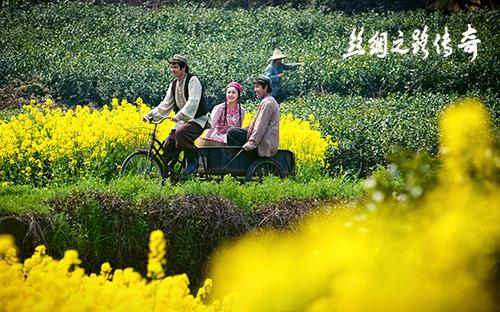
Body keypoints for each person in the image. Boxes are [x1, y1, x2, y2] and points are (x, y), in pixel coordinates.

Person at [142, 54, 211, 176]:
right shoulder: (174, 84)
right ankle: (167, 174)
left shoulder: (193, 80)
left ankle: (192, 160)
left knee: (181, 133)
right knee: (169, 144)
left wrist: (179, 115)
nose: (172, 70)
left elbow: (193, 102)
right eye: (171, 67)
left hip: (197, 119)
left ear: (184, 68)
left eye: (175, 67)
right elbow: (166, 104)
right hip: (182, 120)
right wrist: (151, 115)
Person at [226, 76, 279, 157]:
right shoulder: (267, 101)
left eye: (257, 87)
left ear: (266, 88)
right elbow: (255, 124)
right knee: (233, 132)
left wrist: (252, 143)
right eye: (254, 87)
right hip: (261, 139)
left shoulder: (268, 103)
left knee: (232, 133)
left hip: (264, 142)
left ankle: (238, 160)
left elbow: (260, 125)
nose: (255, 90)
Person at [198, 82, 245, 146]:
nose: (230, 95)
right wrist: (204, 142)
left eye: (233, 92)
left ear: (238, 95)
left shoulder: (241, 111)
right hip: (217, 139)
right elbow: (211, 125)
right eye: (229, 92)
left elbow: (239, 128)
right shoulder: (219, 108)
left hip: (232, 139)